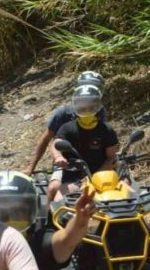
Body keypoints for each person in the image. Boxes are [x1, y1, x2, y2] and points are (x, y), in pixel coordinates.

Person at [27, 71, 107, 204]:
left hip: (92, 160)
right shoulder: (62, 113)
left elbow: (104, 137)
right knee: (53, 188)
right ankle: (45, 219)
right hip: (65, 162)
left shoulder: (100, 111)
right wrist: (31, 167)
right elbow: (47, 140)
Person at [54, 83, 118, 197]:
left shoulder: (106, 129)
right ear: (75, 107)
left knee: (127, 191)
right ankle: (50, 215)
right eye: (82, 107)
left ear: (97, 107)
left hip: (103, 176)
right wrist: (58, 157)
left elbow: (111, 158)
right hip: (73, 176)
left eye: (90, 107)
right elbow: (56, 144)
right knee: (57, 197)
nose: (86, 110)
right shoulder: (67, 128)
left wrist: (94, 177)